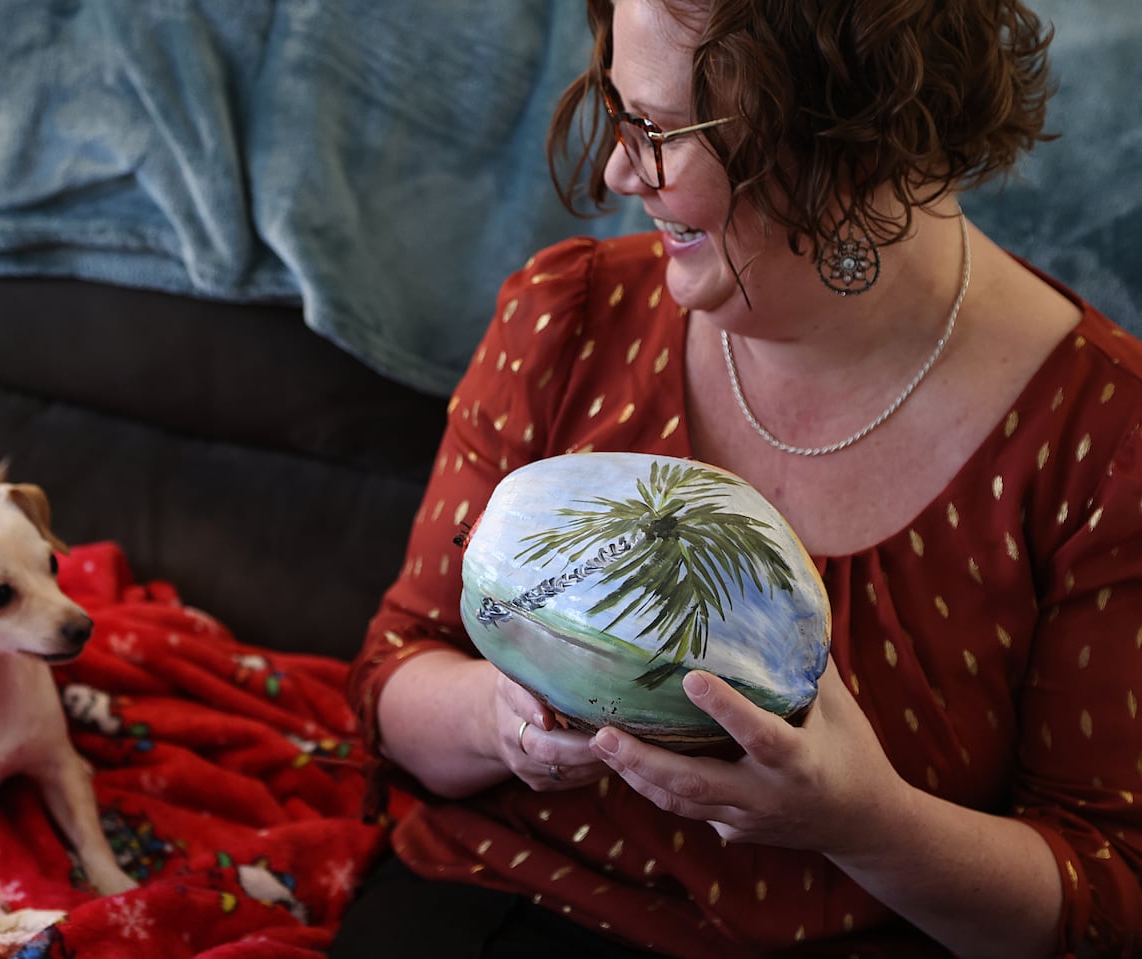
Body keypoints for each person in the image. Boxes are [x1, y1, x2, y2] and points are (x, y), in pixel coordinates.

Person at [333, 0, 1142, 956]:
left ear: (854, 142)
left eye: (663, 132)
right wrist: (502, 721)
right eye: (618, 112)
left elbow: (1106, 900)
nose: (617, 170)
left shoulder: (1103, 440)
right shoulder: (567, 318)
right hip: (500, 901)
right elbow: (393, 679)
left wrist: (865, 823)